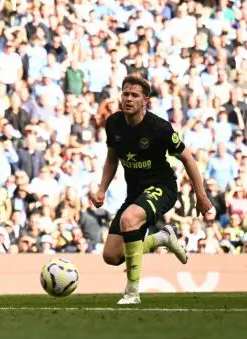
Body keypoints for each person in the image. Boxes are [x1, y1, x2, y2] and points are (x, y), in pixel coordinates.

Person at [90, 75, 214, 305]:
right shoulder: (114, 123)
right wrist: (101, 189)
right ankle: (163, 238)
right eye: (125, 94)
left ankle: (132, 292)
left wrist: (201, 196)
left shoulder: (160, 128)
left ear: (145, 100)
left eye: (134, 95)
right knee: (112, 256)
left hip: (162, 187)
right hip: (135, 194)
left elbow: (188, 158)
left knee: (129, 219)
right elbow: (111, 159)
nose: (128, 99)